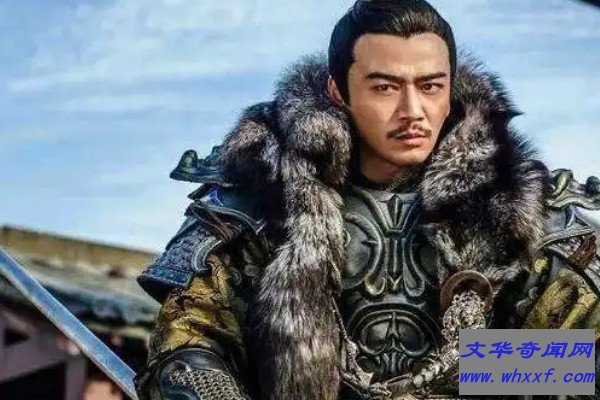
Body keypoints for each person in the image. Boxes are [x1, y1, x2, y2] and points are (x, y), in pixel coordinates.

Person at [134, 1, 600, 399]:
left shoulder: (511, 198)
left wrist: (470, 370)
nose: (413, 112)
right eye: (385, 87)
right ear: (338, 91)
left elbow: (584, 355)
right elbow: (188, 344)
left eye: (430, 87)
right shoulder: (264, 189)